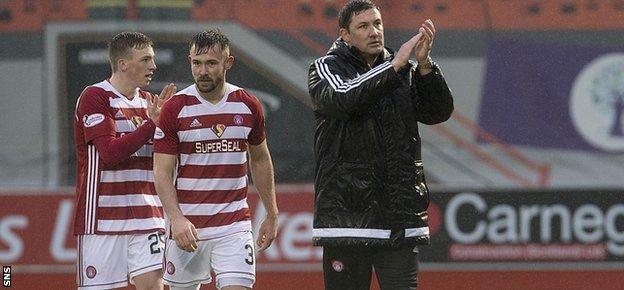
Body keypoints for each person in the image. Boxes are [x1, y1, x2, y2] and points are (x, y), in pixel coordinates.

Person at [308, 0, 454, 289]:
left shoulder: (405, 70)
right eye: (363, 26)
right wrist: (394, 67)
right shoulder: (324, 68)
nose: (374, 31)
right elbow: (344, 98)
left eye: (377, 24)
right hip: (347, 217)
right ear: (345, 35)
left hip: (398, 216)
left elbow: (437, 112)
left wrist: (424, 65)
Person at [153, 29, 279, 290]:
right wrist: (175, 218)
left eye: (211, 63)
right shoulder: (176, 108)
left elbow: (260, 159)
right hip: (188, 227)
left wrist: (272, 212)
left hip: (233, 226)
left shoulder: (247, 105)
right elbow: (162, 172)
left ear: (227, 63)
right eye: (196, 63)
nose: (203, 71)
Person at [73, 31, 176, 290]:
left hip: (147, 216)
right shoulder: (95, 97)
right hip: (103, 219)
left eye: (152, 60)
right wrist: (151, 125)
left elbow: (164, 159)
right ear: (122, 64)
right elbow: (109, 153)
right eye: (145, 60)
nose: (153, 66)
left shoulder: (151, 103)